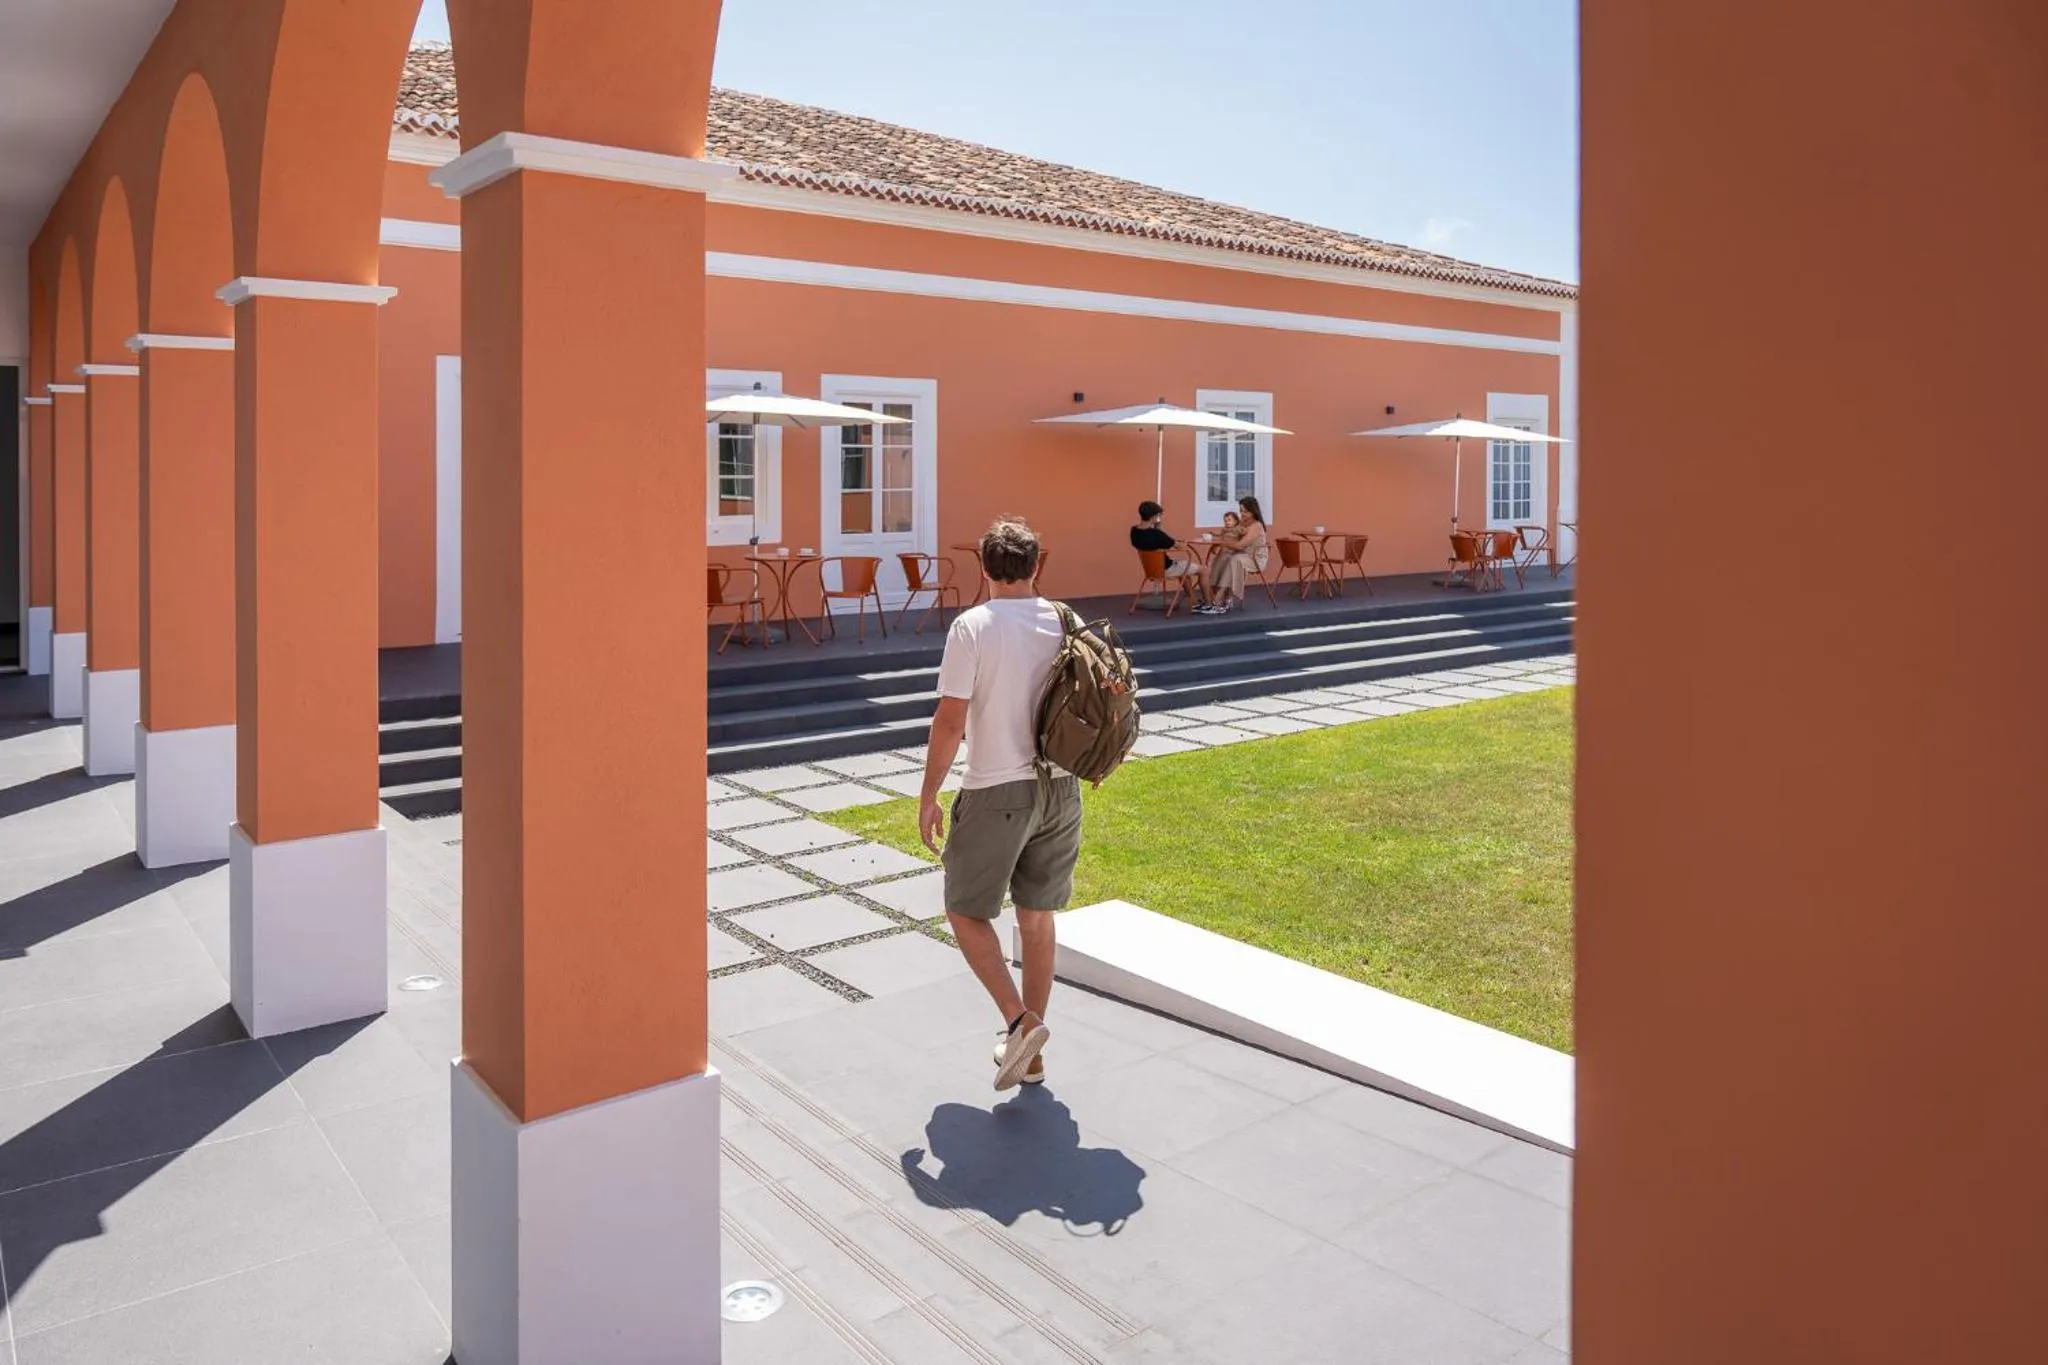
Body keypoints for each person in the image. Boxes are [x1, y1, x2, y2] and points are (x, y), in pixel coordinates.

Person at [919, 518, 1082, 1090]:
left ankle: (1018, 1024)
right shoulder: (1066, 620)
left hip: (995, 788)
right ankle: (1030, 1054)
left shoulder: (973, 627)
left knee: (965, 911)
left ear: (984, 568)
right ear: (1037, 566)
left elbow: (950, 720)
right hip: (1062, 788)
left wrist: (929, 792)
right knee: (1036, 919)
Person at [1128, 500, 1208, 605]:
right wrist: (1183, 543)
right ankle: (1209, 604)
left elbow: (1154, 541)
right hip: (1166, 569)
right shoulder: (1157, 534)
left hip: (1151, 570)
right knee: (1204, 570)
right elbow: (1180, 546)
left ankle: (1193, 601)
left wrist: (1158, 530)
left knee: (1184, 571)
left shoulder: (1134, 531)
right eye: (1158, 515)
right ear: (1154, 516)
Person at [1199, 495, 1269, 614]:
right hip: (1241, 555)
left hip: (1255, 558)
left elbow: (1240, 545)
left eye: (1245, 511)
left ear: (1253, 511)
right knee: (1224, 556)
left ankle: (1218, 598)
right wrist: (1218, 543)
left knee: (1235, 559)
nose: (1242, 514)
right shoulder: (1242, 523)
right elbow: (1229, 535)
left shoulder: (1256, 525)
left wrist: (1222, 543)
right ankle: (1218, 596)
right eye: (1241, 510)